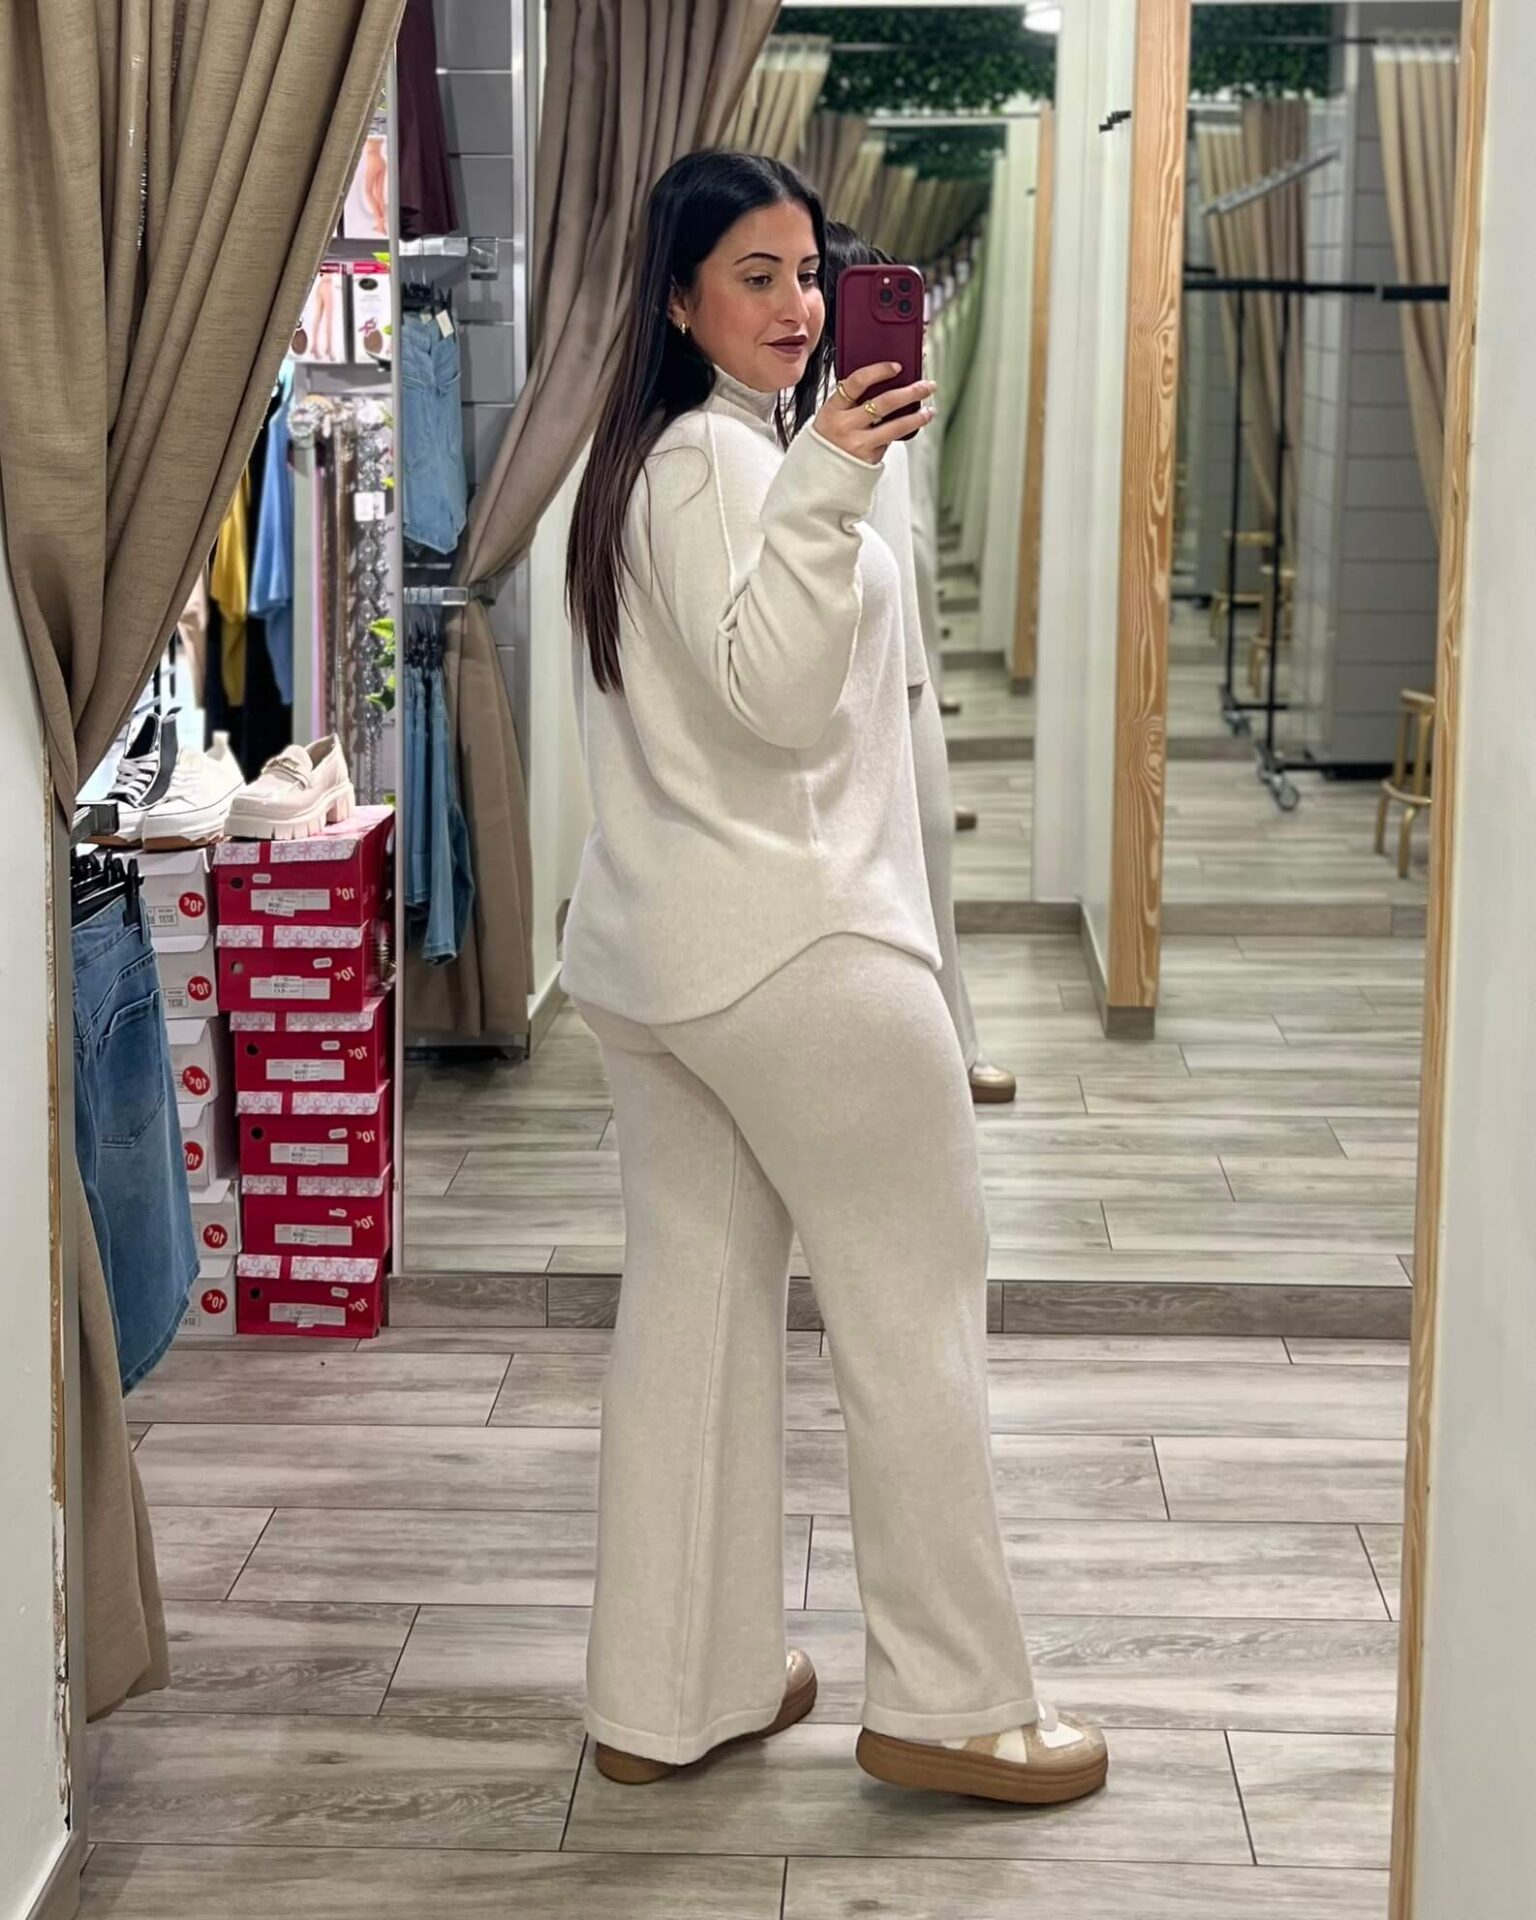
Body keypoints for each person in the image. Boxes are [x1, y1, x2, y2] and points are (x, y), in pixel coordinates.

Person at [561, 149, 1107, 1808]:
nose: (800, 304)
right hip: (799, 956)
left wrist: (825, 469)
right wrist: (835, 477)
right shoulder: (731, 467)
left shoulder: (656, 462)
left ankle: (674, 1689)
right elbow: (779, 701)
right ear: (677, 301)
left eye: (811, 271)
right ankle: (949, 1701)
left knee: (697, 1312)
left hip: (668, 961)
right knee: (914, 1315)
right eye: (757, 275)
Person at [814, 220, 1017, 1107]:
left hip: (903, 670)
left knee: (929, 852)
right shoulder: (781, 418)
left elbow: (912, 539)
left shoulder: (894, 407)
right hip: (824, 681)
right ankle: (873, 1052)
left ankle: (953, 1043)